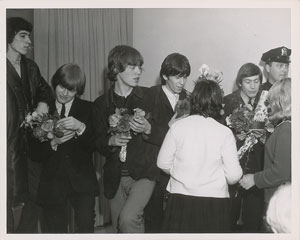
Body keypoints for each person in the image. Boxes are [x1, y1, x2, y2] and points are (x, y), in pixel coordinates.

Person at [157, 79, 243, 233]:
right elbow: (234, 176)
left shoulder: (177, 127)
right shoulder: (224, 132)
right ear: (219, 103)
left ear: (194, 100)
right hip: (215, 203)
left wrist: (182, 173)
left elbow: (162, 163)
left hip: (180, 201)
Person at [29, 63, 99, 233]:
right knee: (55, 231)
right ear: (55, 83)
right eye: (62, 86)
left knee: (86, 228)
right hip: (52, 184)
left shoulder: (89, 108)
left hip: (82, 183)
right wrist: (53, 144)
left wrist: (81, 127)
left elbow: (97, 145)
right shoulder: (41, 111)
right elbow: (33, 153)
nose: (64, 93)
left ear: (78, 91)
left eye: (71, 90)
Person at [93, 45, 155, 233]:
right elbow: (96, 142)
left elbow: (164, 131)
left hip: (144, 173)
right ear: (115, 69)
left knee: (127, 220)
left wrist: (148, 128)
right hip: (115, 176)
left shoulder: (150, 96)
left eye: (140, 67)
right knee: (120, 228)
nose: (138, 72)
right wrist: (109, 142)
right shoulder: (101, 103)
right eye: (132, 67)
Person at [6, 17, 54, 233]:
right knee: (6, 200)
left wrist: (42, 104)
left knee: (35, 196)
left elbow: (46, 91)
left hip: (31, 146)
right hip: (7, 145)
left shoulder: (31, 67)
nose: (28, 42)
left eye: (29, 37)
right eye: (22, 36)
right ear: (7, 37)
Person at [143, 53, 191, 233]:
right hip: (154, 168)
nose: (182, 82)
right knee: (154, 219)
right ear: (164, 75)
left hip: (181, 167)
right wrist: (169, 127)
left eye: (185, 77)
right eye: (177, 77)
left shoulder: (188, 97)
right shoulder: (149, 95)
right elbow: (145, 134)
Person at [239, 78, 291, 222]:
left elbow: (281, 172)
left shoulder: (286, 129)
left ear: (281, 102)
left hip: (280, 200)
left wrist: (254, 179)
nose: (269, 106)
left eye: (271, 101)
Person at [223, 63, 265, 232]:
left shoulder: (265, 102)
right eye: (248, 82)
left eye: (256, 81)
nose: (253, 86)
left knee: (253, 219)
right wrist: (233, 137)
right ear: (240, 82)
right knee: (229, 217)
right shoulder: (227, 102)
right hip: (233, 167)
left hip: (257, 168)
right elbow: (218, 134)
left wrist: (263, 137)